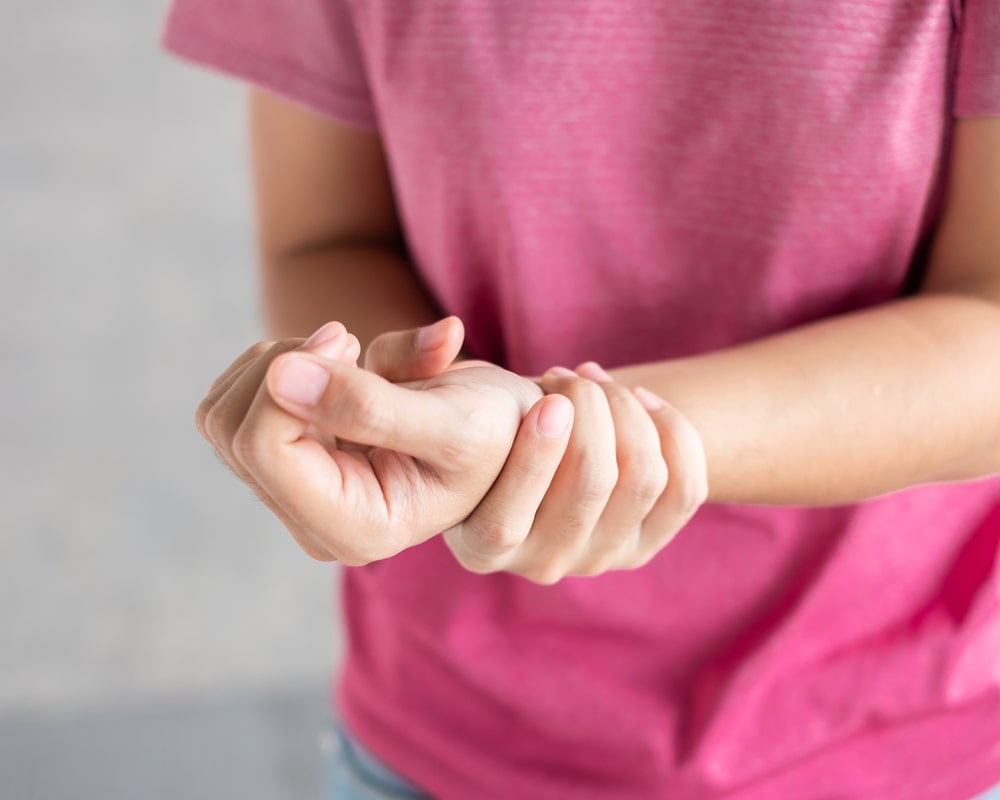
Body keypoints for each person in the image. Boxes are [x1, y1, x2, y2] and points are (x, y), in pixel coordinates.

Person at [164, 1, 1000, 798]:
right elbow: (326, 238)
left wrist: (550, 438)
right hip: (449, 727)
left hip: (901, 729)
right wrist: (393, 416)